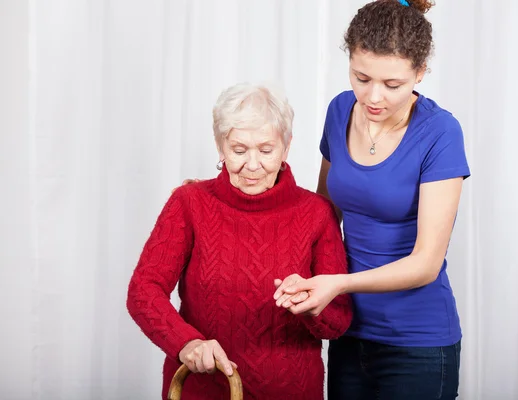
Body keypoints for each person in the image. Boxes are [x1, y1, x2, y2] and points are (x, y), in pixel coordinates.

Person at [273, 0, 471, 399]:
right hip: (346, 329)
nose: (373, 96)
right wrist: (221, 192)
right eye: (361, 77)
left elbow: (425, 264)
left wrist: (338, 283)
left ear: (420, 72)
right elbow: (323, 214)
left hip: (418, 343)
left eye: (392, 85)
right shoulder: (340, 111)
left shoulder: (440, 133)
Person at [126, 82, 352, 400]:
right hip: (202, 390)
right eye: (239, 150)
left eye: (266, 149)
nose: (253, 165)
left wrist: (311, 306)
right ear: (221, 146)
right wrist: (186, 343)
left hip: (291, 391)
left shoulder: (317, 214)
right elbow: (143, 291)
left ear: (287, 147)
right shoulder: (188, 203)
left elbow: (338, 321)